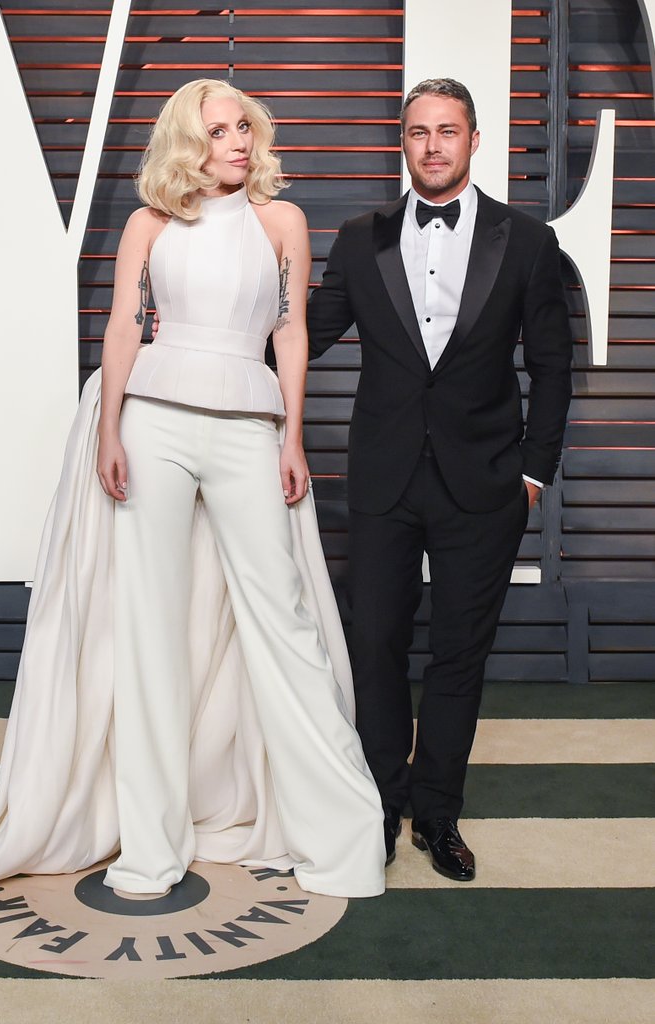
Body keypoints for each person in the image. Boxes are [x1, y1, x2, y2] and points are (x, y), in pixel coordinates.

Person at [0, 79, 387, 898]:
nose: (237, 141)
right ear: (187, 143)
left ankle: (341, 837)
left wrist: (292, 435)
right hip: (152, 422)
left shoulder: (282, 222)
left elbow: (290, 331)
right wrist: (109, 429)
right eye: (217, 131)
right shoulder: (150, 224)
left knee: (284, 623)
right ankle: (151, 848)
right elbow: (123, 324)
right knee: (149, 629)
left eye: (242, 127)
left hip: (248, 424)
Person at [306, 78, 572, 881]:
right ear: (402, 142)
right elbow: (306, 337)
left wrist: (532, 474)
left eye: (446, 131)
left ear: (473, 140)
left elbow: (552, 368)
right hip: (383, 480)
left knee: (459, 655)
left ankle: (437, 815)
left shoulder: (526, 241)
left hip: (484, 483)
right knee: (374, 647)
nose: (432, 146)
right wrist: (208, 343)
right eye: (418, 132)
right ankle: (381, 808)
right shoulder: (359, 238)